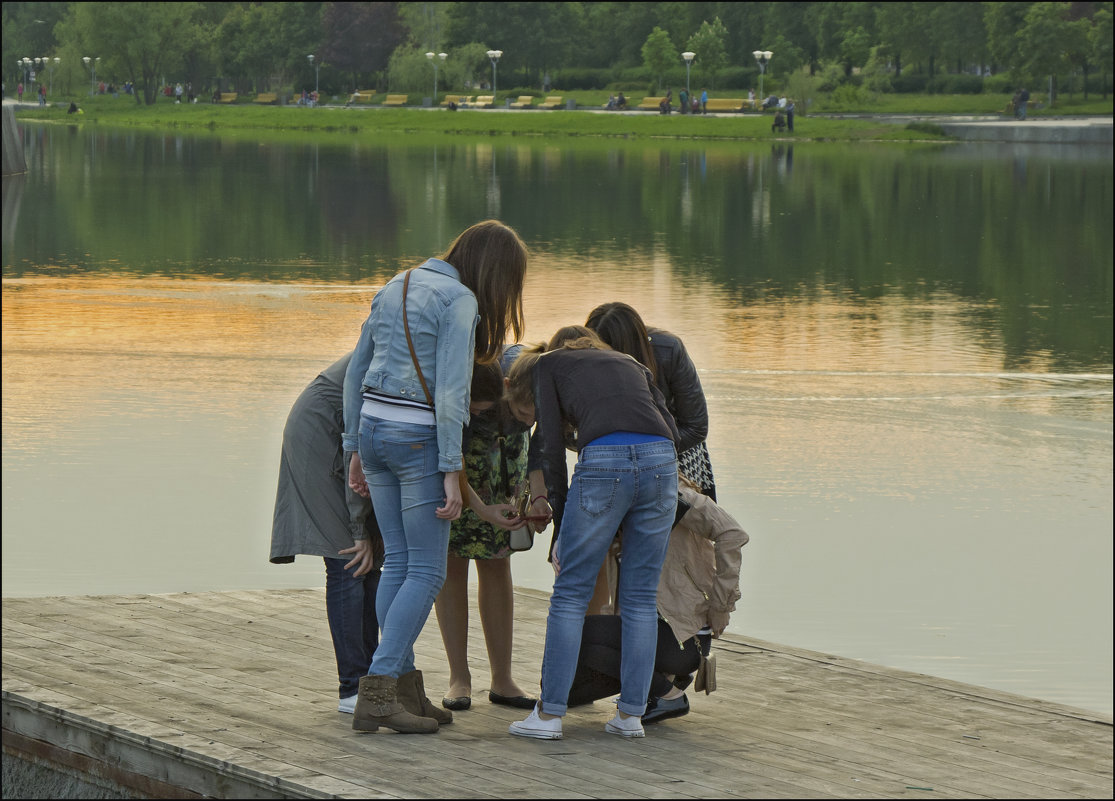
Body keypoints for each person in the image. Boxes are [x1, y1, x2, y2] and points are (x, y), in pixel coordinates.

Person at [343, 220, 528, 735]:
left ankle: (404, 689)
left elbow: (357, 373)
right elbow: (450, 394)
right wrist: (452, 469)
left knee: (399, 563)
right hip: (417, 440)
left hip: (375, 430)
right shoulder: (459, 301)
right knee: (427, 571)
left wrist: (353, 447)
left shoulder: (395, 284)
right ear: (495, 274)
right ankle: (378, 691)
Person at [505, 330, 679, 740]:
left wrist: (562, 529)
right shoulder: (629, 363)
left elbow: (548, 447)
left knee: (570, 594)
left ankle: (548, 717)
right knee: (639, 596)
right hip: (661, 459)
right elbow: (670, 424)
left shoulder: (548, 365)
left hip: (605, 461)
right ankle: (631, 716)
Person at [567, 479, 748, 724]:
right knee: (566, 690)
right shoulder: (618, 498)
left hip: (682, 637)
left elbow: (733, 533)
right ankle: (661, 681)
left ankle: (669, 695)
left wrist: (721, 605)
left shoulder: (677, 495)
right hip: (642, 629)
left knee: (580, 631)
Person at [270, 353, 385, 714]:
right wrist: (358, 528)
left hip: (351, 438)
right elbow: (358, 444)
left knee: (369, 563)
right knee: (348, 558)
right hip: (321, 437)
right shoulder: (393, 343)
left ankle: (372, 680)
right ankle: (352, 687)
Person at [434, 354, 547, 713]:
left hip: (507, 474)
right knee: (452, 565)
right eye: (520, 411)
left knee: (498, 566)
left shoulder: (543, 382)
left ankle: (502, 679)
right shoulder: (476, 382)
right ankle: (459, 677)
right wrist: (480, 507)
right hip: (463, 476)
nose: (526, 420)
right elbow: (453, 453)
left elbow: (541, 448)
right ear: (505, 388)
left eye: (532, 416)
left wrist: (539, 496)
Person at [585, 302, 714, 500]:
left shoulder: (669, 350)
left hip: (677, 452)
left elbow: (696, 427)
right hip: (612, 460)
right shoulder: (584, 359)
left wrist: (645, 453)